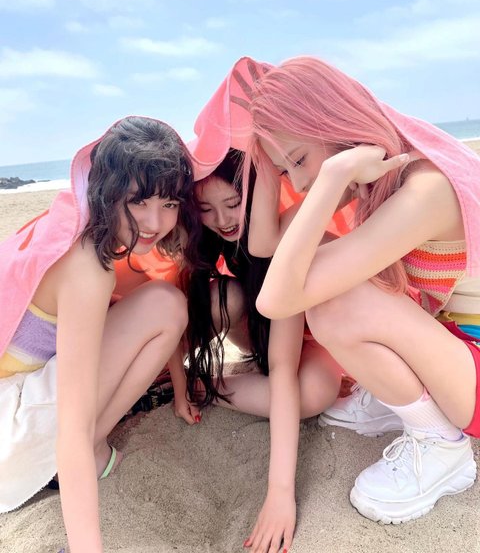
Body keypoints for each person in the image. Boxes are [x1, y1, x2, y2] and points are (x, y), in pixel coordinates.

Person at [240, 55, 480, 528]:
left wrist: (332, 176)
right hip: (456, 352)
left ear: (337, 122)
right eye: (287, 172)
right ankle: (401, 396)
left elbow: (275, 300)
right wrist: (268, 159)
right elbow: (267, 245)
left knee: (332, 300)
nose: (299, 183)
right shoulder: (387, 183)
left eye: (300, 160)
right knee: (318, 259)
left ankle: (440, 445)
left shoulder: (425, 191)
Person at [0, 116, 201, 552]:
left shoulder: (73, 233)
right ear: (108, 191)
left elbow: (154, 307)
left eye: (169, 203)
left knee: (164, 300)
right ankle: (92, 452)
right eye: (138, 201)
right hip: (9, 440)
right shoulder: (87, 267)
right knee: (166, 303)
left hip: (14, 411)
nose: (155, 221)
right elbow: (71, 427)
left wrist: (180, 388)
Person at [183, 149, 343, 553]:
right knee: (219, 297)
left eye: (233, 203)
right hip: (263, 332)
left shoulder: (285, 236)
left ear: (258, 193)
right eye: (206, 209)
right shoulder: (212, 239)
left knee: (313, 393)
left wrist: (279, 493)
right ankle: (180, 381)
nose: (223, 220)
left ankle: (202, 385)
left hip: (316, 336)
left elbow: (285, 366)